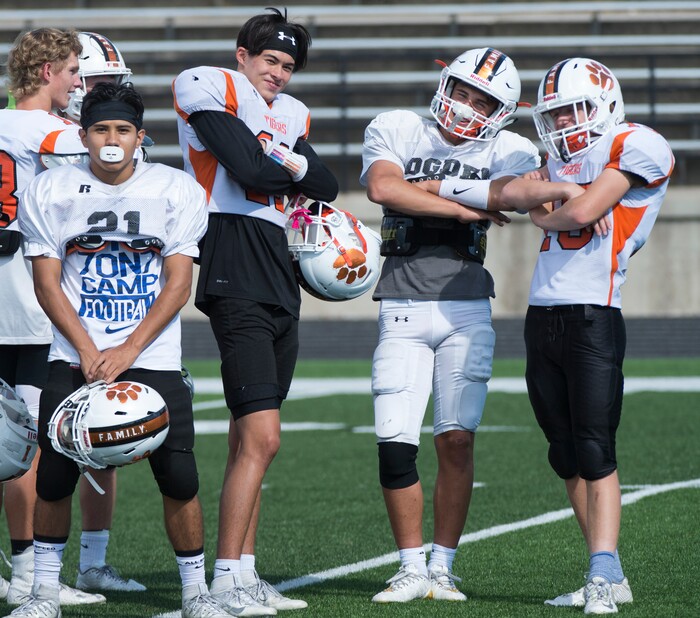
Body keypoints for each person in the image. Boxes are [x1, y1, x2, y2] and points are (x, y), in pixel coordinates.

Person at [13, 82, 232, 618]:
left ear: (140, 137)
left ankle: (195, 594)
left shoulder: (176, 189)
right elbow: (47, 284)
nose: (112, 140)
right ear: (83, 135)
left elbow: (177, 285)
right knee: (56, 475)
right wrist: (89, 350)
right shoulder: (50, 189)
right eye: (101, 130)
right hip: (73, 354)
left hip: (152, 356)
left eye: (122, 130)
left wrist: (128, 349)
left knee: (179, 476)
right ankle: (43, 594)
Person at [172, 7, 338, 615]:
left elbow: (327, 183)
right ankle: (223, 580)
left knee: (251, 434)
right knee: (264, 437)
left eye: (288, 65)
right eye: (270, 59)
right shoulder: (207, 83)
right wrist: (290, 168)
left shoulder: (291, 113)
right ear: (242, 55)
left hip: (277, 261)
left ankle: (242, 570)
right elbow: (243, 169)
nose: (279, 73)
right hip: (230, 252)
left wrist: (287, 167)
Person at [360, 47, 540, 603]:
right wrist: (464, 207)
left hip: (466, 306)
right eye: (460, 90)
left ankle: (442, 566)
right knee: (394, 444)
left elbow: (507, 196)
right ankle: (410, 567)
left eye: (480, 99)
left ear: (502, 111)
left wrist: (431, 191)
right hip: (402, 304)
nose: (464, 105)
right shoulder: (398, 127)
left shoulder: (511, 147)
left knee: (457, 441)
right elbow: (384, 188)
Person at [499, 58, 674, 614]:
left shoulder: (634, 142)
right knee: (563, 451)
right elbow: (543, 201)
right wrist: (562, 203)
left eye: (575, 109)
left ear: (605, 103)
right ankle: (608, 572)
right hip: (541, 314)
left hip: (595, 314)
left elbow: (581, 208)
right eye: (555, 114)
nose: (566, 123)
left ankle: (601, 572)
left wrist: (557, 208)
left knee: (597, 448)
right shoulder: (562, 158)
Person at [0, 27, 106, 610]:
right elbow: (122, 163)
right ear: (46, 73)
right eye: (70, 72)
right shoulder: (53, 133)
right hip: (28, 296)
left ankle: (19, 572)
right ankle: (29, 575)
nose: (77, 84)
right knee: (26, 440)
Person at [62, 30, 146, 594]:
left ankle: (92, 562)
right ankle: (31, 570)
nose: (104, 94)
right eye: (96, 83)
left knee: (104, 439)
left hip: (114, 313)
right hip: (43, 308)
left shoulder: (122, 147)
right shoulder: (44, 142)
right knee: (33, 445)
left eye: (115, 87)